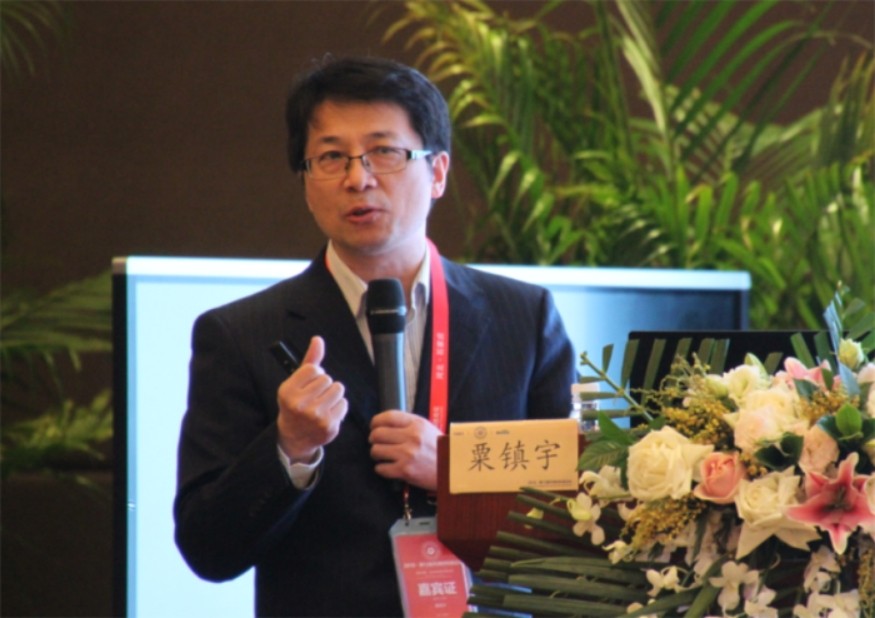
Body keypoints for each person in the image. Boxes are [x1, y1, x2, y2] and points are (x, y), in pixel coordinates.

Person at [173, 55, 576, 617]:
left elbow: (576, 520)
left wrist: (454, 472)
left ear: (438, 172)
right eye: (331, 157)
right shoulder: (240, 335)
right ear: (306, 182)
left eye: (384, 152)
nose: (357, 178)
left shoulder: (524, 318)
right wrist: (288, 447)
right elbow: (208, 549)